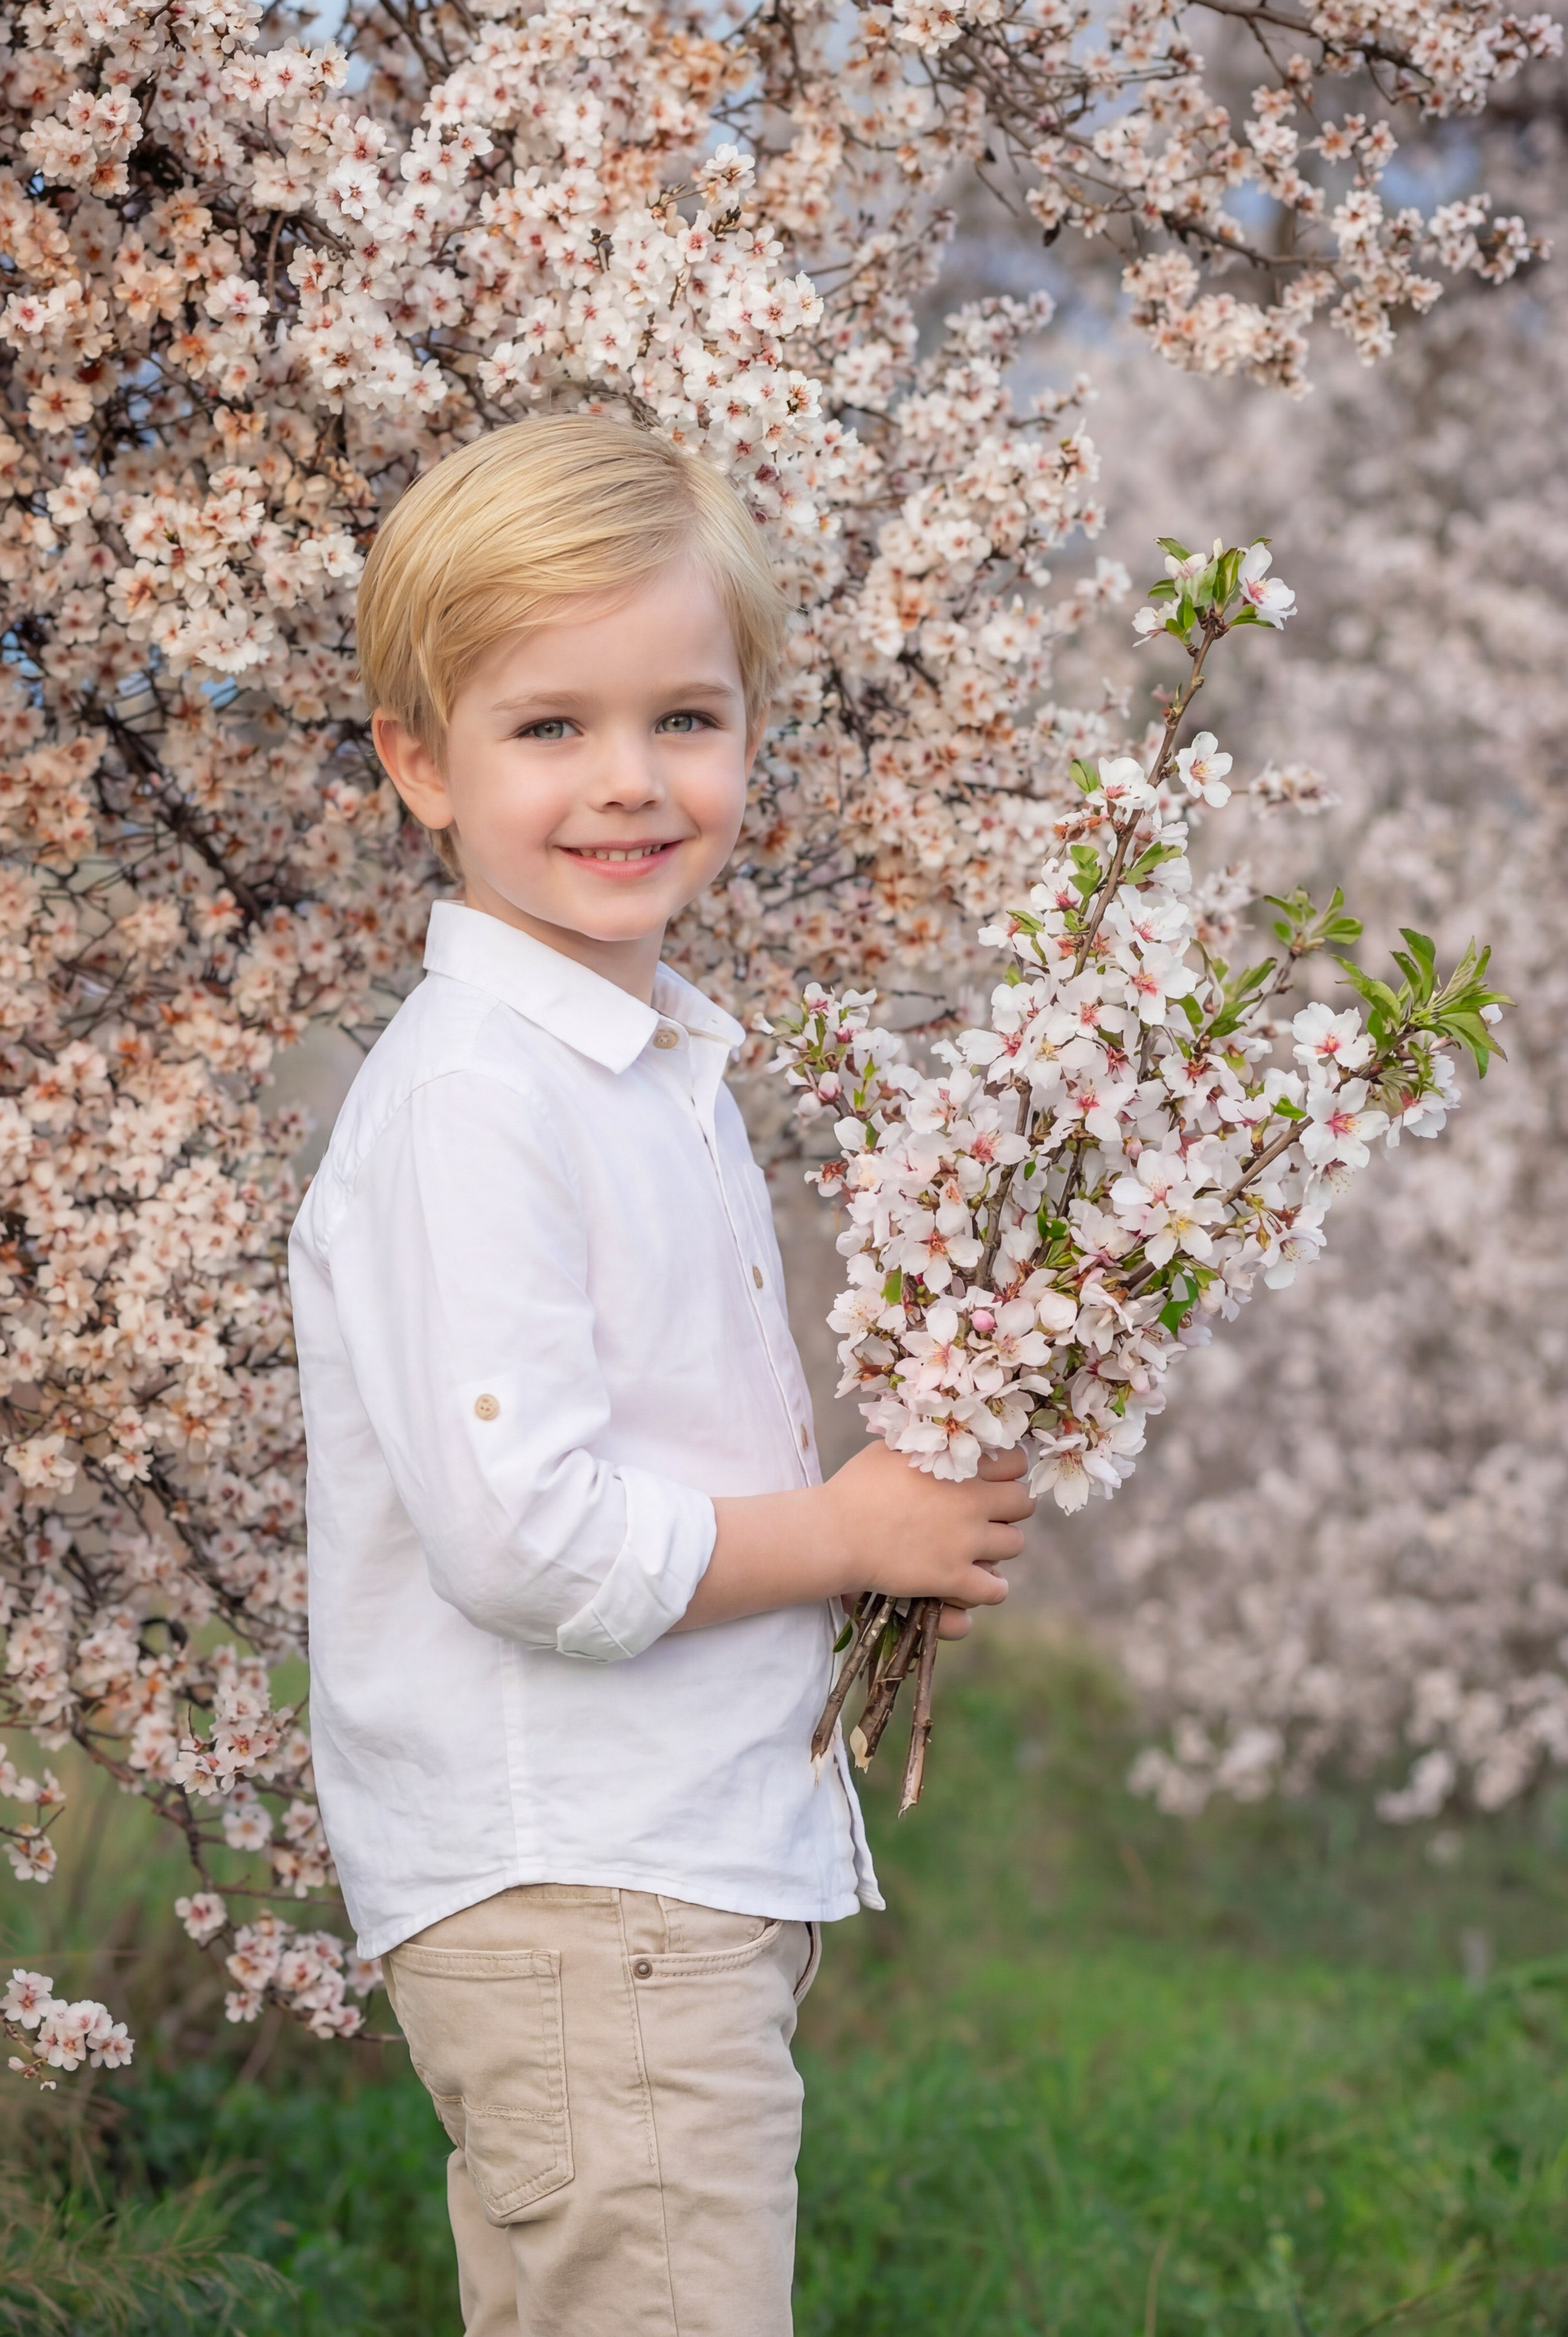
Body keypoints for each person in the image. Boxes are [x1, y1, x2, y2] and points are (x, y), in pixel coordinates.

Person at [288, 413, 1034, 2337]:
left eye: (683, 719)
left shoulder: (638, 1064)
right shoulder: (477, 1095)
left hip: (645, 1882)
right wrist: (847, 1528)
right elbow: (528, 1537)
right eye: (550, 728)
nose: (628, 783)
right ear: (417, 764)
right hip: (580, 1891)